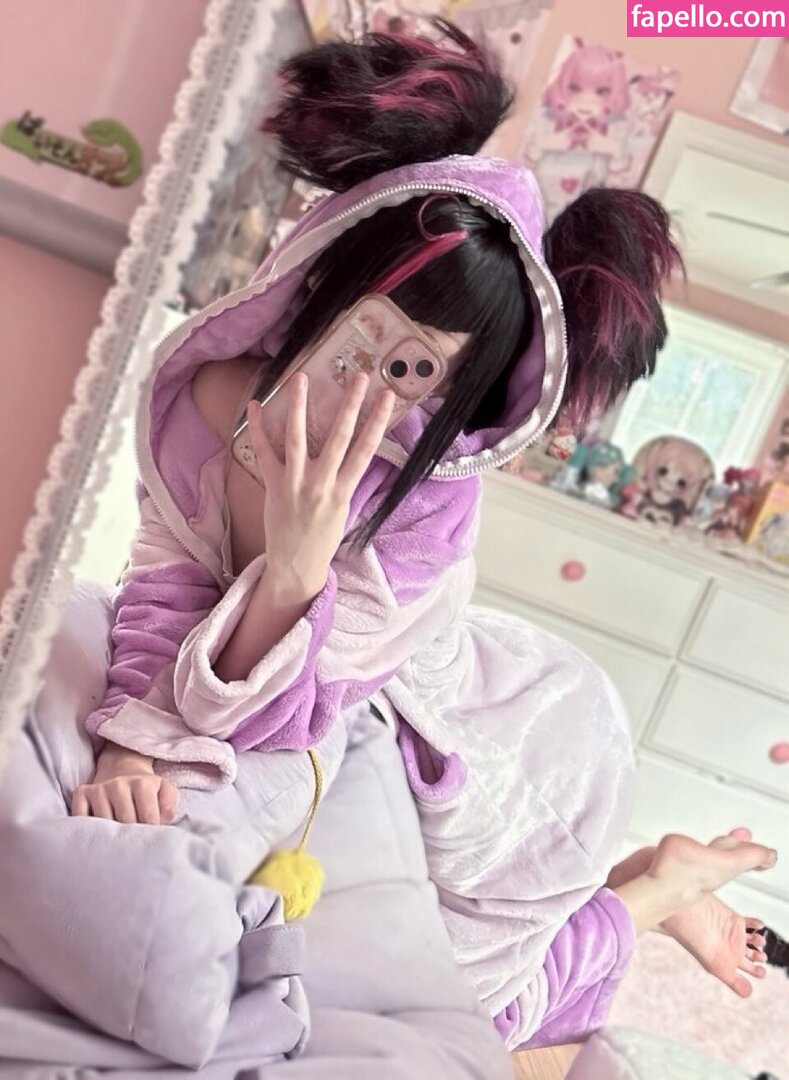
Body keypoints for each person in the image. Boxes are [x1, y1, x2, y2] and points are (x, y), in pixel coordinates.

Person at [70, 20, 777, 1052]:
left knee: (474, 1016)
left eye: (412, 371)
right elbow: (165, 572)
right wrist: (133, 727)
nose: (367, 383)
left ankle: (656, 892)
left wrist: (299, 566)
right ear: (320, 283)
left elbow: (291, 721)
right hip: (351, 695)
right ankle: (648, 883)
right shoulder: (211, 395)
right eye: (364, 332)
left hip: (473, 737)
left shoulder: (421, 505)